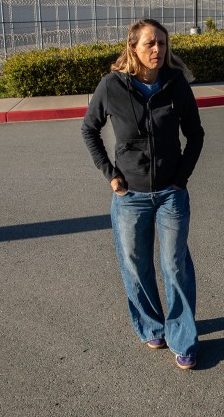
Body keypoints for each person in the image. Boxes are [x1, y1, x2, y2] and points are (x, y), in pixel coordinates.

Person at [81, 19, 204, 370]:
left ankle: (184, 338)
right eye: (151, 44)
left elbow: (195, 134)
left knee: (174, 266)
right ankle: (152, 325)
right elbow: (89, 129)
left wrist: (181, 178)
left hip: (170, 194)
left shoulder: (175, 84)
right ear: (133, 47)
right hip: (130, 196)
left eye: (162, 44)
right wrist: (111, 176)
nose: (158, 50)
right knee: (136, 265)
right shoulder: (111, 86)